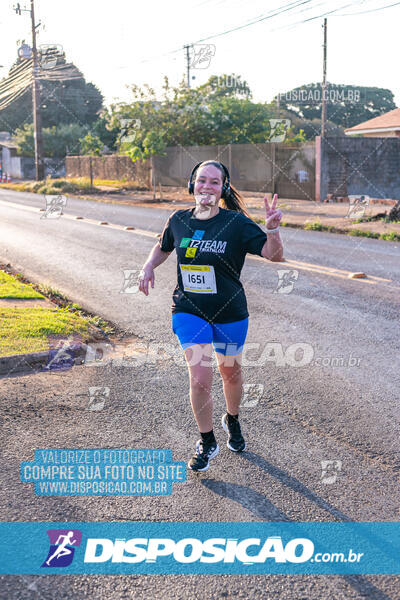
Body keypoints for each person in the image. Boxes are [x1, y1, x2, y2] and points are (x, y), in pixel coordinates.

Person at [138, 161, 283, 472]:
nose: (206, 186)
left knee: (230, 373)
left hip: (230, 312)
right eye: (201, 180)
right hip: (189, 310)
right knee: (200, 378)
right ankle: (207, 440)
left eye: (214, 182)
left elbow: (273, 254)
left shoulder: (237, 224)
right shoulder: (178, 220)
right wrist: (149, 266)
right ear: (192, 185)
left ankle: (232, 418)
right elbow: (163, 247)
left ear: (223, 189)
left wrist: (272, 229)